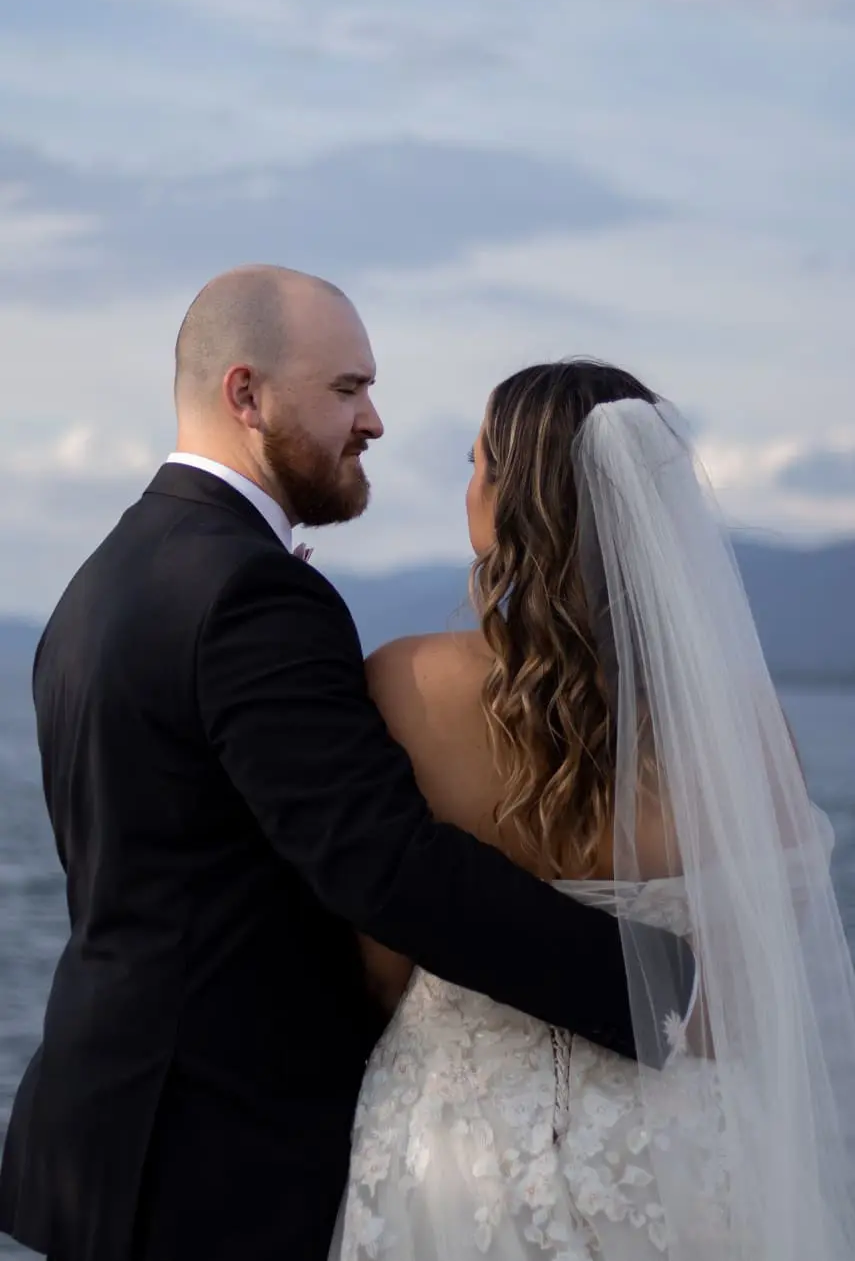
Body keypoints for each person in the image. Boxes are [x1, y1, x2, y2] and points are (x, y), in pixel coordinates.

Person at [0, 271, 694, 1261]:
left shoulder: (104, 581)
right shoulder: (249, 593)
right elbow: (384, 867)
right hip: (216, 1155)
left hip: (105, 1135)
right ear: (246, 395)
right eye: (346, 390)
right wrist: (659, 988)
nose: (373, 420)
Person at [332, 361, 855, 1260]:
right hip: (686, 1158)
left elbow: (381, 957)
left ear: (511, 498)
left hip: (459, 1153)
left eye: (475, 462)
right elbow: (762, 968)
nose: (466, 488)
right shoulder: (742, 724)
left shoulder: (406, 686)